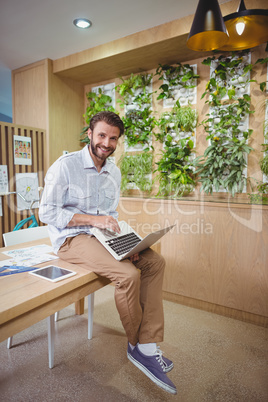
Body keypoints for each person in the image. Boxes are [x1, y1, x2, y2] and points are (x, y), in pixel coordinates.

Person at [39, 111, 177, 395]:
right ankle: (138, 346)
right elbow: (46, 213)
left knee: (155, 262)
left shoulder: (113, 170)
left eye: (113, 138)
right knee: (127, 275)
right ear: (89, 134)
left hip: (103, 235)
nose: (107, 143)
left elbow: (110, 214)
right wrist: (92, 220)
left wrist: (127, 242)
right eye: (102, 135)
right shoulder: (65, 166)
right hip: (71, 239)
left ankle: (148, 344)